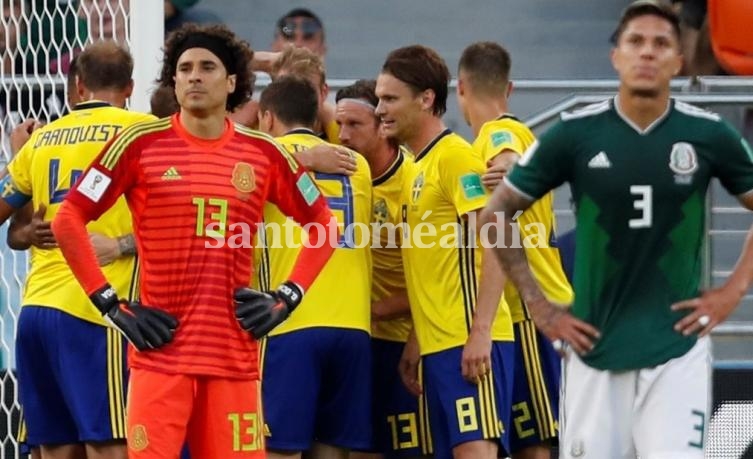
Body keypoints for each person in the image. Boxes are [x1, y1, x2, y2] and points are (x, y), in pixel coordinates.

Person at [51, 23, 337, 458]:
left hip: (233, 361)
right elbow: (68, 217)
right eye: (184, 69)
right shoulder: (138, 143)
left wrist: (287, 296)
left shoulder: (265, 153)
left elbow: (324, 224)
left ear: (233, 81)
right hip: (159, 358)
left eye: (207, 67)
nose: (194, 76)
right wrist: (110, 303)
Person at [481, 1, 753, 457]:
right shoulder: (575, 132)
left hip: (676, 347)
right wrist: (540, 306)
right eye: (636, 42)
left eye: (661, 43)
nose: (647, 53)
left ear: (678, 60)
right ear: (616, 56)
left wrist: (732, 292)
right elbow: (495, 214)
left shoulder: (708, 134)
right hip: (594, 349)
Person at [0, 40, 153, 459]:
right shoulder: (143, 133)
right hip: (98, 311)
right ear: (130, 88)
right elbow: (180, 223)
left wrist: (27, 227)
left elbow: (8, 217)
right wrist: (122, 244)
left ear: (79, 86)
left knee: (54, 449)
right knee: (110, 445)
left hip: (35, 313)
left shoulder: (41, 140)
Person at [375, 44, 515, 459]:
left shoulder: (455, 158)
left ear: (427, 99)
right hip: (437, 346)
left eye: (389, 99)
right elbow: (434, 266)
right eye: (379, 99)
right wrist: (417, 340)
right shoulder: (417, 167)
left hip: (468, 342)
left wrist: (481, 330)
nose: (380, 109)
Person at [456, 41, 573, 459]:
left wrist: (505, 167)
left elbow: (506, 154)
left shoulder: (497, 133)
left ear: (460, 87)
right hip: (542, 304)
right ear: (510, 88)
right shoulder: (525, 133)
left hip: (529, 311)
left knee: (535, 443)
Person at [255, 75, 372, 459]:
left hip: (291, 320)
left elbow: (227, 169)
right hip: (354, 325)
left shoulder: (263, 163)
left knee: (281, 450)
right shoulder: (358, 166)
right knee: (333, 450)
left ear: (268, 118)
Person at [335, 80, 428, 459]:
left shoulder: (411, 184)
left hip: (399, 339)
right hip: (354, 338)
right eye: (339, 125)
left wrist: (369, 310)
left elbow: (435, 278)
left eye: (354, 126)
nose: (341, 136)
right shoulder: (340, 167)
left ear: (383, 126)